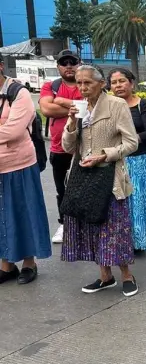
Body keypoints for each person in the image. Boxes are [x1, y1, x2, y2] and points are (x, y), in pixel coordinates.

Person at [60, 65, 140, 297]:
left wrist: (105, 155)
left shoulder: (116, 105)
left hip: (110, 176)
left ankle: (127, 275)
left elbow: (131, 143)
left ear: (101, 84)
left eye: (88, 83)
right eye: (79, 83)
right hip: (84, 176)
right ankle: (105, 276)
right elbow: (68, 147)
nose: (83, 88)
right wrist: (72, 123)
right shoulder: (79, 108)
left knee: (114, 228)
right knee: (92, 227)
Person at [0, 54, 51, 285]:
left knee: (24, 212)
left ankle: (29, 263)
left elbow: (13, 131)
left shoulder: (18, 92)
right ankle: (6, 264)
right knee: (2, 217)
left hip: (19, 164)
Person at [108, 67, 146, 258]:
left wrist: (129, 140)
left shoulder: (143, 104)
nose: (118, 86)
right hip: (121, 162)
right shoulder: (110, 107)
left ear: (131, 83)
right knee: (129, 204)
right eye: (114, 82)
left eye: (122, 81)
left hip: (144, 161)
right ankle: (137, 241)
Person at [39, 49, 83, 244]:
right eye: (64, 63)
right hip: (59, 149)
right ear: (58, 67)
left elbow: (90, 108)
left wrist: (62, 102)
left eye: (72, 62)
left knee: (86, 188)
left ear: (79, 64)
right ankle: (65, 224)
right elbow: (46, 108)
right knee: (62, 190)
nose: (68, 66)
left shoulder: (87, 84)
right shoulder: (51, 86)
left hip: (85, 148)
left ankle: (86, 225)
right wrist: (77, 107)